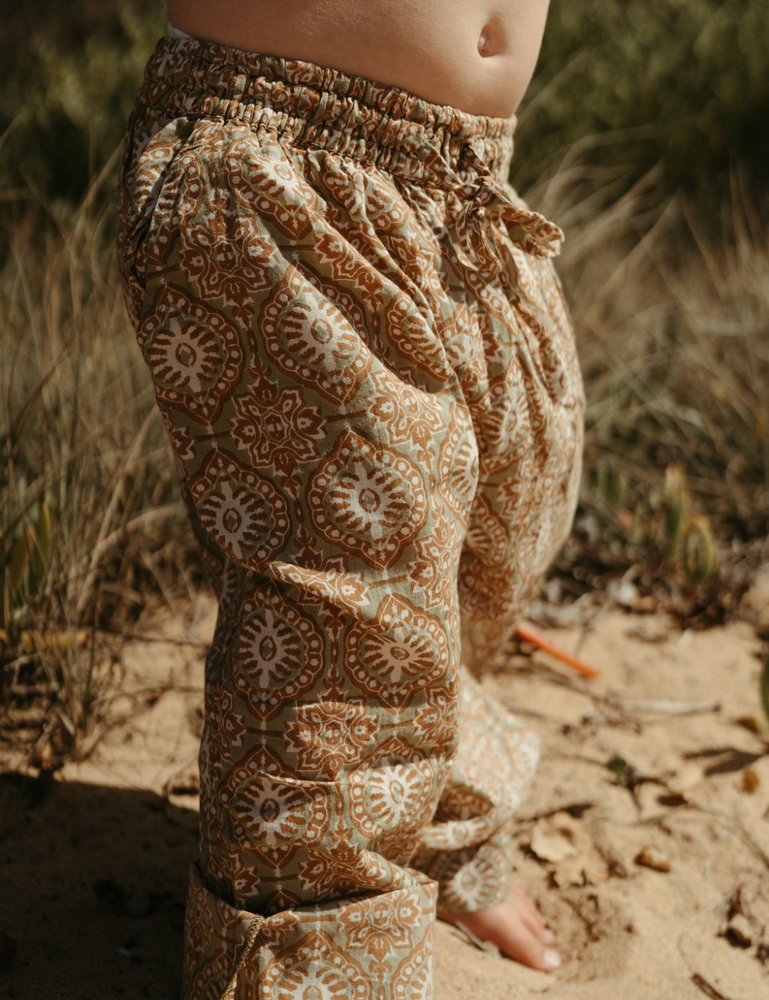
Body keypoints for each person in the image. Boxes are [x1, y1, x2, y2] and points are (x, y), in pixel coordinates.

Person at [116, 2, 584, 996]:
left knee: (498, 526)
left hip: (465, 175)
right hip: (282, 149)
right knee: (352, 600)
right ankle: (314, 952)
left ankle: (431, 821)